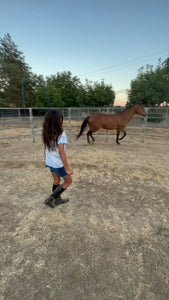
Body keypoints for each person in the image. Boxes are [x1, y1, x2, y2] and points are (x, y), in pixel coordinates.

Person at [42, 109, 73, 208]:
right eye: (60, 118)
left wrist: (46, 160)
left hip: (50, 162)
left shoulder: (46, 132)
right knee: (68, 181)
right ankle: (51, 199)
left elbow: (45, 148)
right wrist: (67, 168)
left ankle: (57, 199)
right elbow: (61, 152)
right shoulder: (61, 134)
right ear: (59, 120)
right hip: (58, 164)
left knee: (56, 181)